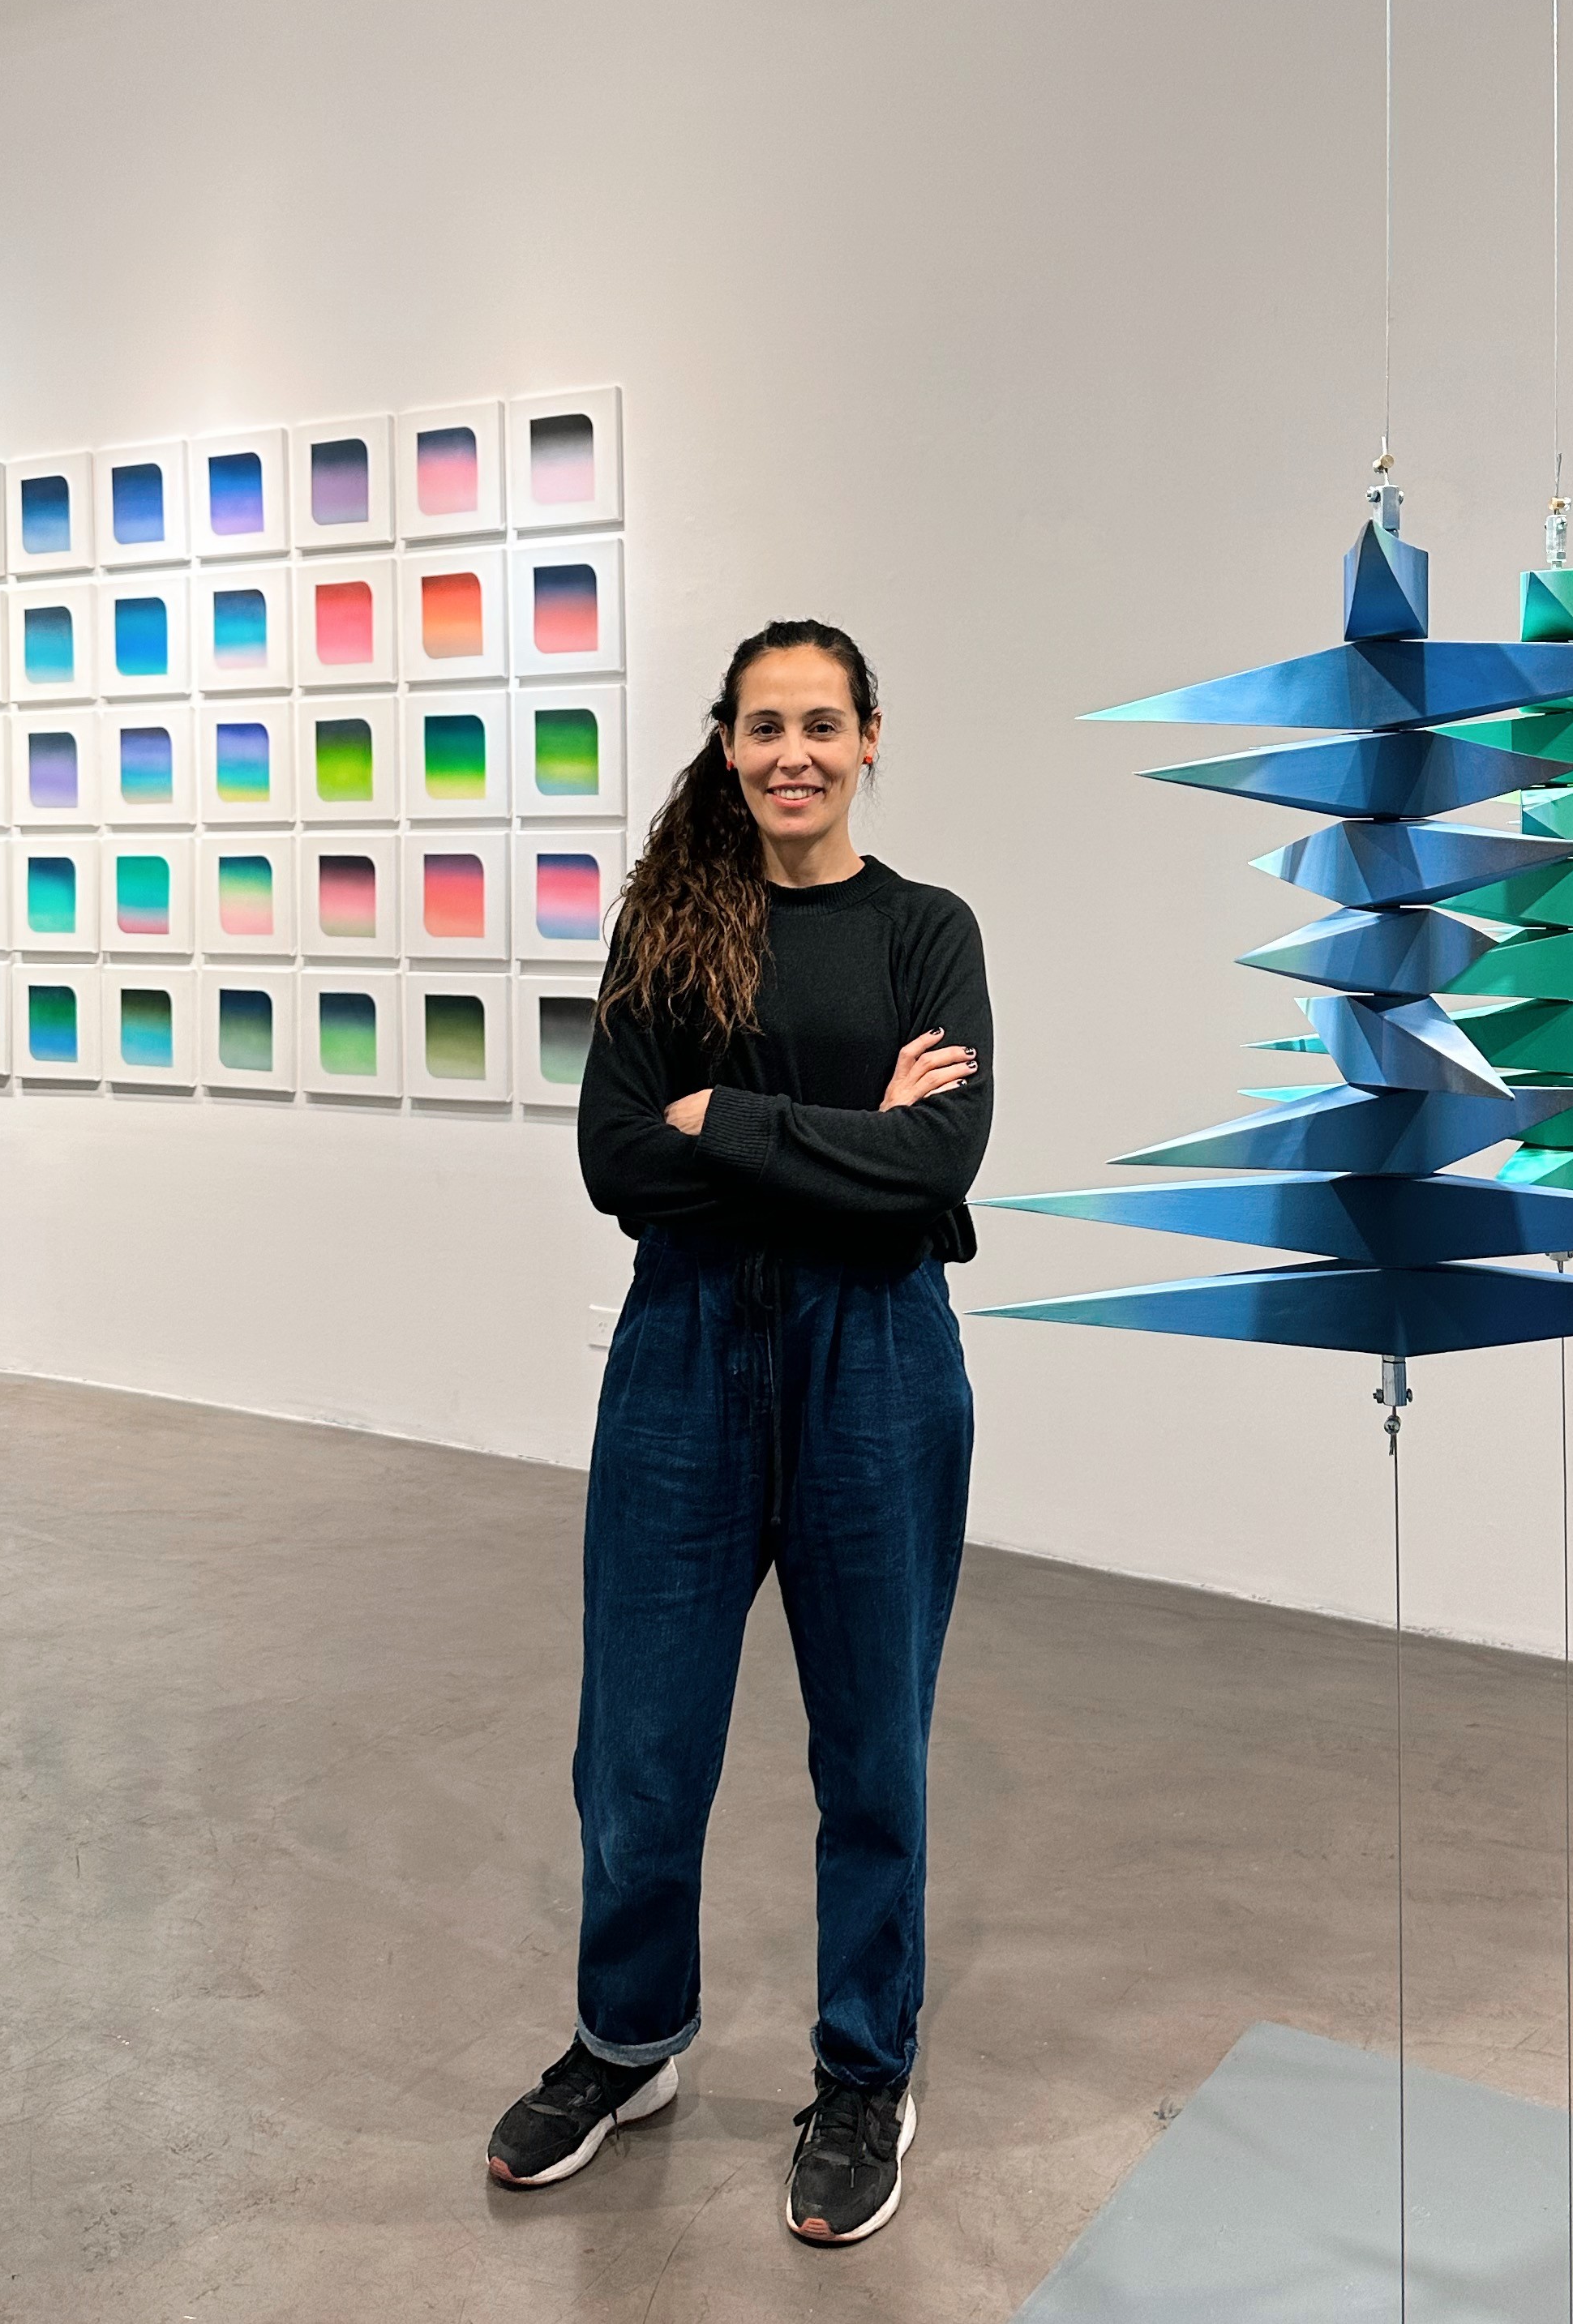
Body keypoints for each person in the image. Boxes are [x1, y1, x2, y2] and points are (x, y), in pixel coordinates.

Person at [486, 618, 993, 2247]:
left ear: (870, 735)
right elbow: (619, 1160)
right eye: (762, 723)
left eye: (821, 721)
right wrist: (842, 1134)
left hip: (878, 1356)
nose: (792, 750)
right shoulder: (669, 925)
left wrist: (738, 1116)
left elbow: (937, 1165)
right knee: (636, 1741)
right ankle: (627, 2041)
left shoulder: (927, 930)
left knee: (870, 1748)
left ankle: (864, 2072)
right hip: (686, 1345)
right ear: (726, 741)